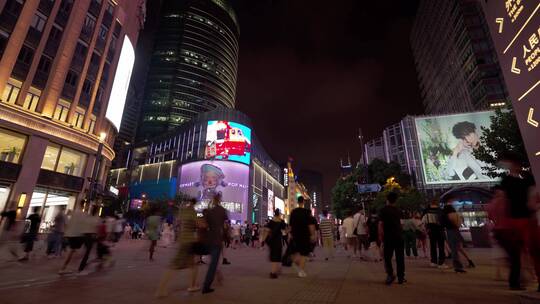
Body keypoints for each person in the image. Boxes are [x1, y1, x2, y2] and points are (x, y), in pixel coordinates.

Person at [496, 152, 540, 291]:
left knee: (532, 252)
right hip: (515, 221)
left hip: (526, 220)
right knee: (518, 254)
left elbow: (532, 199)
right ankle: (516, 282)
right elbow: (504, 202)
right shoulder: (507, 181)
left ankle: (525, 280)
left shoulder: (527, 179)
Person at [155, 198, 200, 297]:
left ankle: (192, 285)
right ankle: (161, 289)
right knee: (174, 265)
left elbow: (177, 224)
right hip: (188, 241)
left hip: (183, 240)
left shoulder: (183, 211)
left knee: (193, 264)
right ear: (195, 203)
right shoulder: (192, 212)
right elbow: (197, 225)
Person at [202, 194, 228, 294]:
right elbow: (225, 225)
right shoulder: (222, 210)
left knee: (212, 263)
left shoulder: (210, 211)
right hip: (217, 240)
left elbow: (205, 224)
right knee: (213, 264)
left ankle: (212, 281)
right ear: (220, 199)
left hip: (209, 239)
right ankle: (206, 286)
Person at [379, 192, 406, 285]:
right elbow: (402, 224)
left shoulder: (383, 210)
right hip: (399, 236)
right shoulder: (399, 211)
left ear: (387, 200)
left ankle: (390, 274)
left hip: (388, 236)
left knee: (387, 257)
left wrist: (381, 237)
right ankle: (401, 277)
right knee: (400, 257)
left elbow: (380, 225)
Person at [289, 196, 316, 278]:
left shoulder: (293, 212)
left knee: (295, 252)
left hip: (295, 235)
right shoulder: (307, 212)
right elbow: (311, 225)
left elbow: (290, 225)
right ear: (303, 202)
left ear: (297, 202)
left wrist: (290, 234)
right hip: (305, 235)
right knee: (304, 253)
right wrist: (312, 234)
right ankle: (301, 271)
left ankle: (296, 262)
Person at [422, 199, 447, 268]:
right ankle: (441, 263)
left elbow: (423, 221)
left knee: (433, 246)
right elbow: (444, 221)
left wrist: (427, 228)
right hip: (440, 230)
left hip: (431, 230)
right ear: (437, 203)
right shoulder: (440, 211)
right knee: (441, 247)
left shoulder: (426, 211)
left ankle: (433, 261)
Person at [442, 203, 466, 273]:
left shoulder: (446, 216)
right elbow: (459, 224)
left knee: (454, 249)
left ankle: (457, 266)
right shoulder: (456, 214)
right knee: (457, 248)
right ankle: (458, 265)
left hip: (450, 232)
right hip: (456, 231)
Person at [264, 208, 286, 278]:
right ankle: (274, 272)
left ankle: (275, 271)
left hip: (271, 242)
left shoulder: (271, 222)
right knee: (277, 257)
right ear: (279, 214)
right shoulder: (282, 222)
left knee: (274, 256)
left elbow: (267, 231)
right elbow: (284, 232)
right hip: (278, 241)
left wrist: (264, 240)